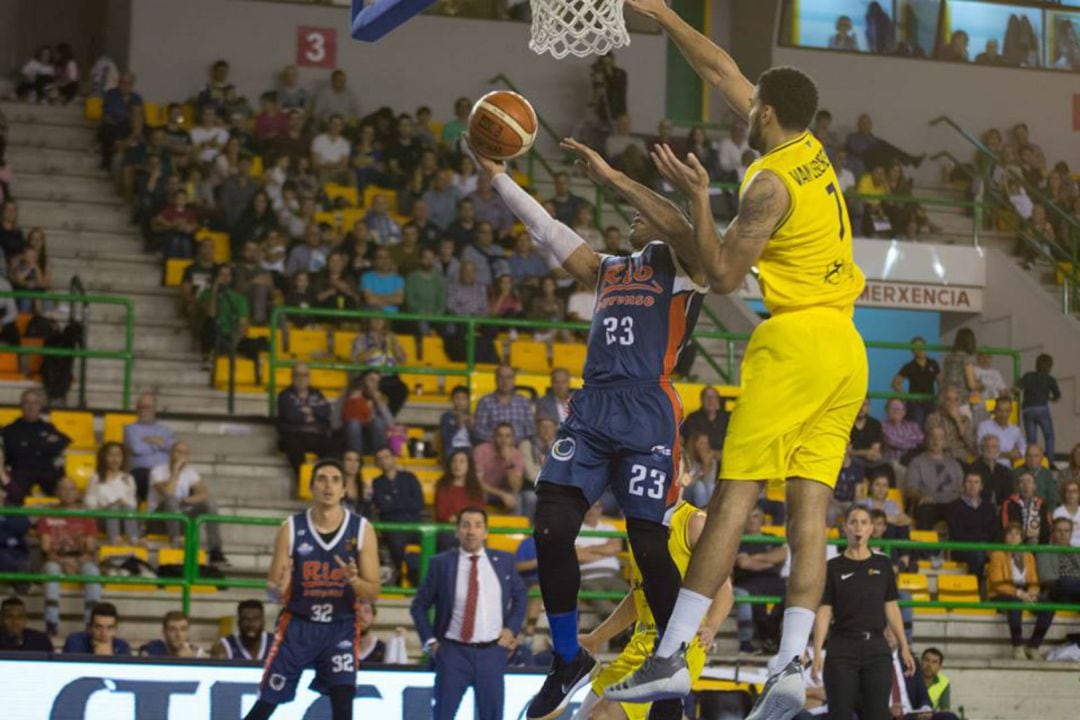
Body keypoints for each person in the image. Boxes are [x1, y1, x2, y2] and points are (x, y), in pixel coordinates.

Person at [607, 6, 868, 717]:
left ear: (770, 115)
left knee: (733, 496)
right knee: (810, 511)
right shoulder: (807, 146)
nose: (741, 109)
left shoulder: (766, 184)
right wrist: (663, 13)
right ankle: (789, 666)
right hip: (847, 349)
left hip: (797, 343)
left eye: (754, 108)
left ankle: (672, 656)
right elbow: (720, 68)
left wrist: (693, 199)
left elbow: (721, 275)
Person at [470, 115, 709, 719]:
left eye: (643, 212)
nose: (631, 217)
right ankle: (569, 657)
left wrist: (612, 176)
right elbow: (548, 231)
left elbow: (685, 226)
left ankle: (671, 659)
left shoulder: (682, 267)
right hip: (594, 407)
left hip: (648, 407)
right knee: (549, 529)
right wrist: (498, 177)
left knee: (649, 544)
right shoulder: (609, 269)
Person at [574, 500, 735, 720]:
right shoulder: (640, 522)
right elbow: (638, 595)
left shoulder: (694, 522)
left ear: (684, 478)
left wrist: (712, 626)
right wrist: (596, 637)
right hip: (639, 646)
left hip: (678, 647)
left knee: (603, 715)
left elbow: (724, 588)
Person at [244, 459, 380, 720]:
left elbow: (373, 593)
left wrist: (354, 581)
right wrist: (278, 589)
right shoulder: (291, 528)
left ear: (343, 490)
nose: (328, 485)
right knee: (265, 706)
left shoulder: (362, 529)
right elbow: (272, 589)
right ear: (311, 487)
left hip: (340, 626)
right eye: (321, 479)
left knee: (343, 705)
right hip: (298, 627)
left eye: (335, 480)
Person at [409, 508, 528, 720]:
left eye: (477, 525)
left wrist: (511, 629)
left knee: (491, 716)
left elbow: (521, 597)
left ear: (486, 532)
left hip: (492, 653)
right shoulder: (441, 563)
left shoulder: (505, 562)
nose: (471, 531)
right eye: (465, 525)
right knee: (442, 715)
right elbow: (419, 606)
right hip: (452, 653)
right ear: (457, 532)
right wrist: (430, 642)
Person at [808, 506, 914, 720]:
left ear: (872, 529)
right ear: (844, 528)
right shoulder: (832, 567)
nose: (858, 527)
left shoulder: (883, 564)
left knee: (877, 715)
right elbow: (824, 611)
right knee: (840, 715)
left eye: (864, 522)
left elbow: (891, 606)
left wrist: (904, 645)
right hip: (842, 648)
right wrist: (818, 650)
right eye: (853, 522)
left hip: (876, 648)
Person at [38, 478, 102, 637]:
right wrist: (63, 562)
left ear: (77, 493)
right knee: (52, 570)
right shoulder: (47, 515)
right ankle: (51, 622)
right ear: (57, 492)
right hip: (56, 559)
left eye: (71, 489)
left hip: (81, 559)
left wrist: (78, 560)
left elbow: (90, 548)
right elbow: (46, 547)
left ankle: (91, 623)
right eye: (63, 489)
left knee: (92, 572)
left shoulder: (86, 515)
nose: (67, 493)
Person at [149, 441, 227, 565]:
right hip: (159, 520)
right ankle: (175, 543)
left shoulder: (190, 472)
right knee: (172, 499)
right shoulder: (157, 471)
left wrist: (187, 500)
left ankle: (215, 550)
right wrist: (175, 472)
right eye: (178, 452)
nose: (181, 456)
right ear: (170, 453)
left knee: (209, 504)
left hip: (180, 516)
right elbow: (168, 493)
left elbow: (204, 493)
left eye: (184, 453)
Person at [986, 522, 1053, 660]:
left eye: (1017, 534)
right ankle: (1017, 646)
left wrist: (1032, 594)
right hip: (1001, 593)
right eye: (1010, 534)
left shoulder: (1028, 555)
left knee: (1048, 606)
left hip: (1024, 592)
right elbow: (997, 584)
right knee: (1015, 602)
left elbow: (1034, 580)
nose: (1013, 537)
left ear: (1021, 538)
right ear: (1004, 537)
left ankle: (1033, 647)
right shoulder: (997, 555)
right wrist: (1019, 594)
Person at [2, 388, 70, 503]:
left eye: (34, 403)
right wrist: (43, 443)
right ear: (21, 405)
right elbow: (14, 451)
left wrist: (28, 444)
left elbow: (63, 442)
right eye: (27, 402)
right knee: (14, 490)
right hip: (21, 471)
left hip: (46, 470)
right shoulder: (9, 430)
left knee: (65, 486)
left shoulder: (48, 427)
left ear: (40, 406)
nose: (31, 406)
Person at [371, 447, 424, 587]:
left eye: (386, 456)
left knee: (435, 539)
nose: (384, 460)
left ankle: (421, 576)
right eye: (380, 458)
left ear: (394, 458)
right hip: (393, 528)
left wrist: (392, 502)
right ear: (376, 463)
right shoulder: (377, 483)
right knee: (396, 542)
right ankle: (403, 576)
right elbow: (383, 506)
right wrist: (404, 502)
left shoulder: (409, 477)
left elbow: (419, 503)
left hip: (414, 524)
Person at [276, 363, 335, 478]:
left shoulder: (317, 394)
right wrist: (313, 414)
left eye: (305, 375)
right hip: (294, 434)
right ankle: (305, 482)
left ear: (309, 377)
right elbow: (290, 415)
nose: (301, 379)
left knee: (332, 449)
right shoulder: (284, 395)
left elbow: (326, 412)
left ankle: (326, 481)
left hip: (316, 434)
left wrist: (306, 412)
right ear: (292, 377)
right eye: (297, 375)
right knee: (294, 448)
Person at [905, 426, 964, 530]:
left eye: (940, 438)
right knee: (925, 512)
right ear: (927, 439)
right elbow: (910, 489)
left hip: (952, 504)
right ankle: (925, 546)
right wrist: (921, 496)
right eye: (932, 437)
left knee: (964, 512)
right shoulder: (917, 462)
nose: (936, 441)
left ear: (945, 442)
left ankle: (958, 547)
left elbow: (962, 488)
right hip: (929, 504)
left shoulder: (954, 464)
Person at [83, 442, 140, 545]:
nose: (115, 459)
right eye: (111, 455)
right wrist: (109, 506)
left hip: (123, 518)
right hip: (101, 519)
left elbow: (132, 505)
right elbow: (90, 506)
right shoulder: (95, 478)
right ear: (104, 457)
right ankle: (114, 540)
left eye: (118, 455)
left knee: (125, 508)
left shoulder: (128, 479)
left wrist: (120, 504)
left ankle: (134, 539)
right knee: (113, 508)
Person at [945, 472, 998, 580]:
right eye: (969, 482)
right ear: (963, 485)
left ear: (981, 486)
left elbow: (994, 532)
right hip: (962, 548)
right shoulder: (954, 507)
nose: (972, 485)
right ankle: (975, 590)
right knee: (978, 555)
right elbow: (957, 535)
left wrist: (988, 547)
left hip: (986, 548)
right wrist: (982, 544)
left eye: (976, 482)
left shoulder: (989, 507)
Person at [124, 391, 175, 502]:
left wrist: (150, 441)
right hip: (142, 473)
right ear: (136, 409)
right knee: (145, 478)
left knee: (183, 481)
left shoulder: (165, 430)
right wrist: (159, 443)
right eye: (141, 407)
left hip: (164, 472)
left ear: (154, 409)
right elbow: (137, 449)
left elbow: (173, 448)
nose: (143, 410)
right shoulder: (130, 429)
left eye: (147, 407)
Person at [473, 422, 529, 515]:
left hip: (506, 492)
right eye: (500, 436)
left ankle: (516, 528)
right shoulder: (481, 450)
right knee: (478, 495)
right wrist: (501, 494)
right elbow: (478, 482)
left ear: (513, 439)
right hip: (485, 491)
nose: (504, 440)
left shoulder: (517, 455)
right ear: (494, 437)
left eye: (508, 436)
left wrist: (508, 462)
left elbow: (516, 487)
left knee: (517, 498)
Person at [433, 450, 485, 548]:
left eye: (462, 461)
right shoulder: (443, 487)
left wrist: (464, 521)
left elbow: (480, 512)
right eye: (454, 461)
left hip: (470, 529)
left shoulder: (476, 489)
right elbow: (442, 515)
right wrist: (466, 522)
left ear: (469, 466)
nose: (457, 465)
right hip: (448, 530)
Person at [473, 364, 536, 443]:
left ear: (514, 380)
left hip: (519, 447)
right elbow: (478, 431)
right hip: (493, 446)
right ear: (495, 380)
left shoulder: (524, 402)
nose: (505, 381)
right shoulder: (485, 402)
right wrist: (500, 440)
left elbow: (530, 429)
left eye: (509, 377)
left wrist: (512, 441)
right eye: (501, 377)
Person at [1017, 354, 1060, 461]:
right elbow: (1057, 396)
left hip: (1027, 409)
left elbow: (1017, 389)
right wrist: (1049, 398)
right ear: (1050, 366)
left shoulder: (1028, 375)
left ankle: (1032, 461)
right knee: (1049, 436)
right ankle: (1050, 461)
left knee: (1031, 439)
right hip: (1042, 408)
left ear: (1036, 364)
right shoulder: (1050, 379)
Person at [891, 337, 940, 427]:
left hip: (930, 400)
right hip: (916, 404)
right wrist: (908, 398)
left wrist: (939, 398)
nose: (920, 349)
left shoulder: (933, 363)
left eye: (922, 346)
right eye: (916, 347)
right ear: (912, 350)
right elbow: (895, 383)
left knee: (932, 426)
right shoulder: (909, 366)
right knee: (917, 425)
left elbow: (941, 382)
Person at [1036, 518, 1080, 604]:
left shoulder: (1077, 551)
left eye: (1066, 531)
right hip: (1058, 587)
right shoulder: (1044, 550)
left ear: (1071, 534)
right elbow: (1047, 580)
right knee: (1066, 581)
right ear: (1053, 533)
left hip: (1077, 586)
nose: (1063, 534)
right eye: (1059, 531)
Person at [63, 602, 132, 655]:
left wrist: (109, 657)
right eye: (99, 627)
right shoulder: (75, 642)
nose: (104, 633)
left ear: (115, 629)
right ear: (90, 628)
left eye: (109, 628)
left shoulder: (123, 647)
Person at [1001, 471, 1049, 545]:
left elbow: (1047, 528)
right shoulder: (1009, 504)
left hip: (1038, 545)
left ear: (1034, 486)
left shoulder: (1041, 504)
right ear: (1017, 487)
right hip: (1014, 544)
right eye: (1022, 482)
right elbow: (1005, 526)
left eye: (1029, 482)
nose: (1025, 485)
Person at [680, 386, 730, 456]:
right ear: (701, 400)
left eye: (714, 397)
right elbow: (690, 441)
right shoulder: (693, 418)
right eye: (707, 397)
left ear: (718, 400)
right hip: (701, 458)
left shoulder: (727, 417)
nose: (710, 400)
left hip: (725, 456)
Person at [967, 434, 1015, 507]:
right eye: (987, 446)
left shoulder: (1005, 471)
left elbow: (1009, 494)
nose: (990, 449)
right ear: (982, 449)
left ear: (998, 449)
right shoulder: (973, 468)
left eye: (993, 447)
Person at [976, 396, 1025, 465]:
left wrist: (1019, 454)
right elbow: (980, 450)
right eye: (1000, 410)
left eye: (1007, 411)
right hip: (987, 467)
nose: (1003, 414)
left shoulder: (1015, 430)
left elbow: (1023, 447)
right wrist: (1006, 455)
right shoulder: (984, 426)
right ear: (994, 410)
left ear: (1011, 411)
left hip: (1006, 470)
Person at [140, 611, 205, 657]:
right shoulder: (152, 649)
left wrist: (193, 660)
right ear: (164, 632)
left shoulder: (195, 653)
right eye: (173, 630)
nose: (179, 635)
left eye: (183, 629)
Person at [1015, 444, 1057, 508]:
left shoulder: (1047, 474)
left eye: (1036, 456)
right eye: (1029, 456)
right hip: (1020, 509)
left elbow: (1052, 498)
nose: (1032, 459)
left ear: (1041, 457)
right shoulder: (1016, 473)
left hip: (1042, 510)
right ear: (1025, 457)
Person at [439, 385, 475, 457]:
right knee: (449, 452)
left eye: (463, 398)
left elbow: (476, 440)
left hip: (468, 448)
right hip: (452, 447)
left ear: (468, 401)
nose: (460, 401)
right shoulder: (446, 416)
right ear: (452, 399)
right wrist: (457, 425)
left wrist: (471, 427)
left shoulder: (472, 416)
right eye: (457, 398)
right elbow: (445, 439)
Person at [919, 648, 954, 715]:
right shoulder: (911, 677)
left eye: (934, 662)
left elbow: (945, 710)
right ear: (921, 662)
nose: (929, 665)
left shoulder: (943, 682)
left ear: (940, 666)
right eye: (926, 660)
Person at [1052, 479, 1080, 546]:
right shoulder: (1058, 512)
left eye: (1074, 491)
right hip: (1064, 549)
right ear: (1064, 494)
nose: (1071, 494)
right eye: (1068, 491)